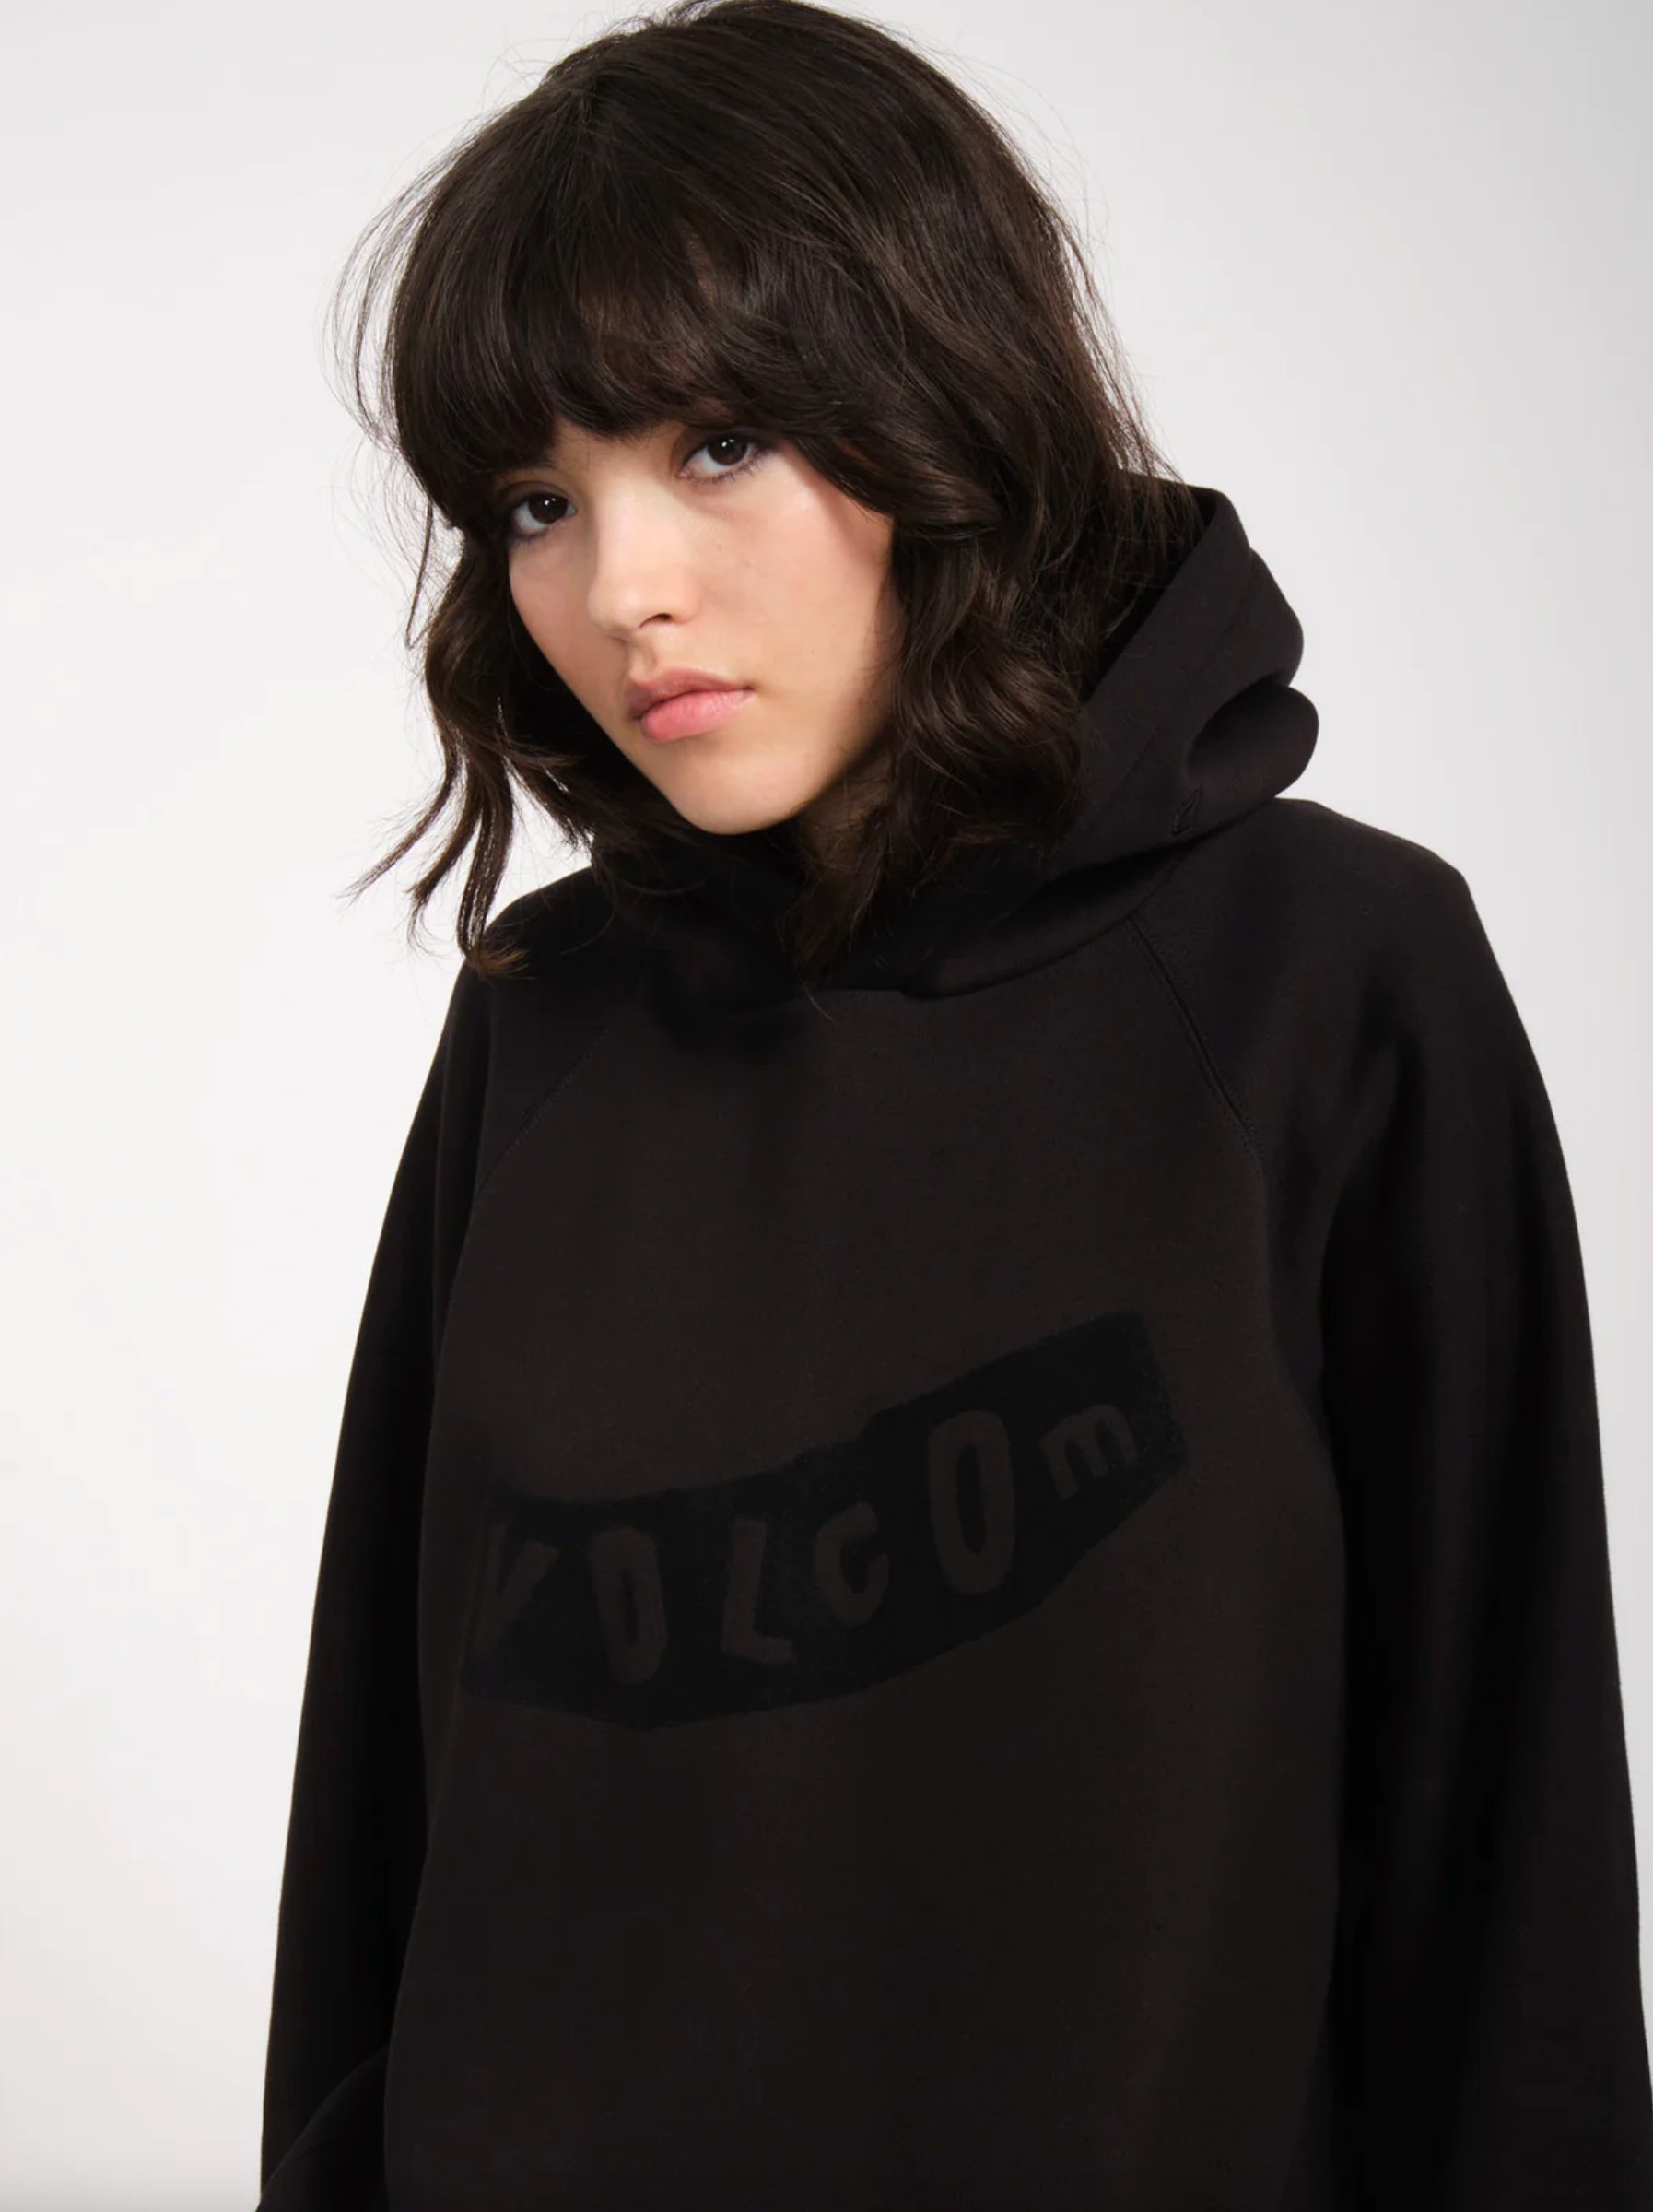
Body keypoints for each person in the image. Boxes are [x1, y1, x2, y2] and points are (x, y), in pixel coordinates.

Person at [255, 1, 1653, 2206]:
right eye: (536, 501)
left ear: (944, 403)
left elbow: (1511, 1879)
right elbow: (380, 1842)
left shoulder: (1331, 984)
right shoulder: (546, 1022)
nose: (621, 592)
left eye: (719, 444)